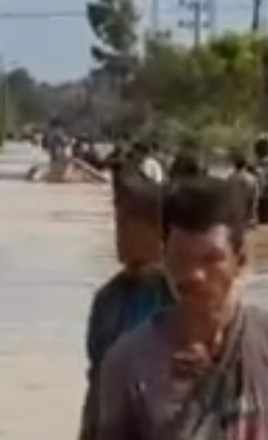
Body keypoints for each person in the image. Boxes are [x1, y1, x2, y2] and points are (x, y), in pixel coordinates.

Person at [96, 177, 268, 440]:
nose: (195, 274)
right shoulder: (127, 363)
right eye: (181, 257)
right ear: (164, 258)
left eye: (211, 259)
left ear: (240, 261)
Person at [79, 175, 175, 440]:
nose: (119, 234)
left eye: (128, 223)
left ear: (158, 230)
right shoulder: (107, 299)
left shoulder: (179, 295)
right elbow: (96, 381)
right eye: (117, 223)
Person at [226, 150, 259, 227]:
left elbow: (226, 195)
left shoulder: (230, 178)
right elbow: (254, 197)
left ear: (234, 165)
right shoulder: (251, 178)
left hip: (232, 211)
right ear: (245, 165)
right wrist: (253, 214)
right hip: (246, 212)